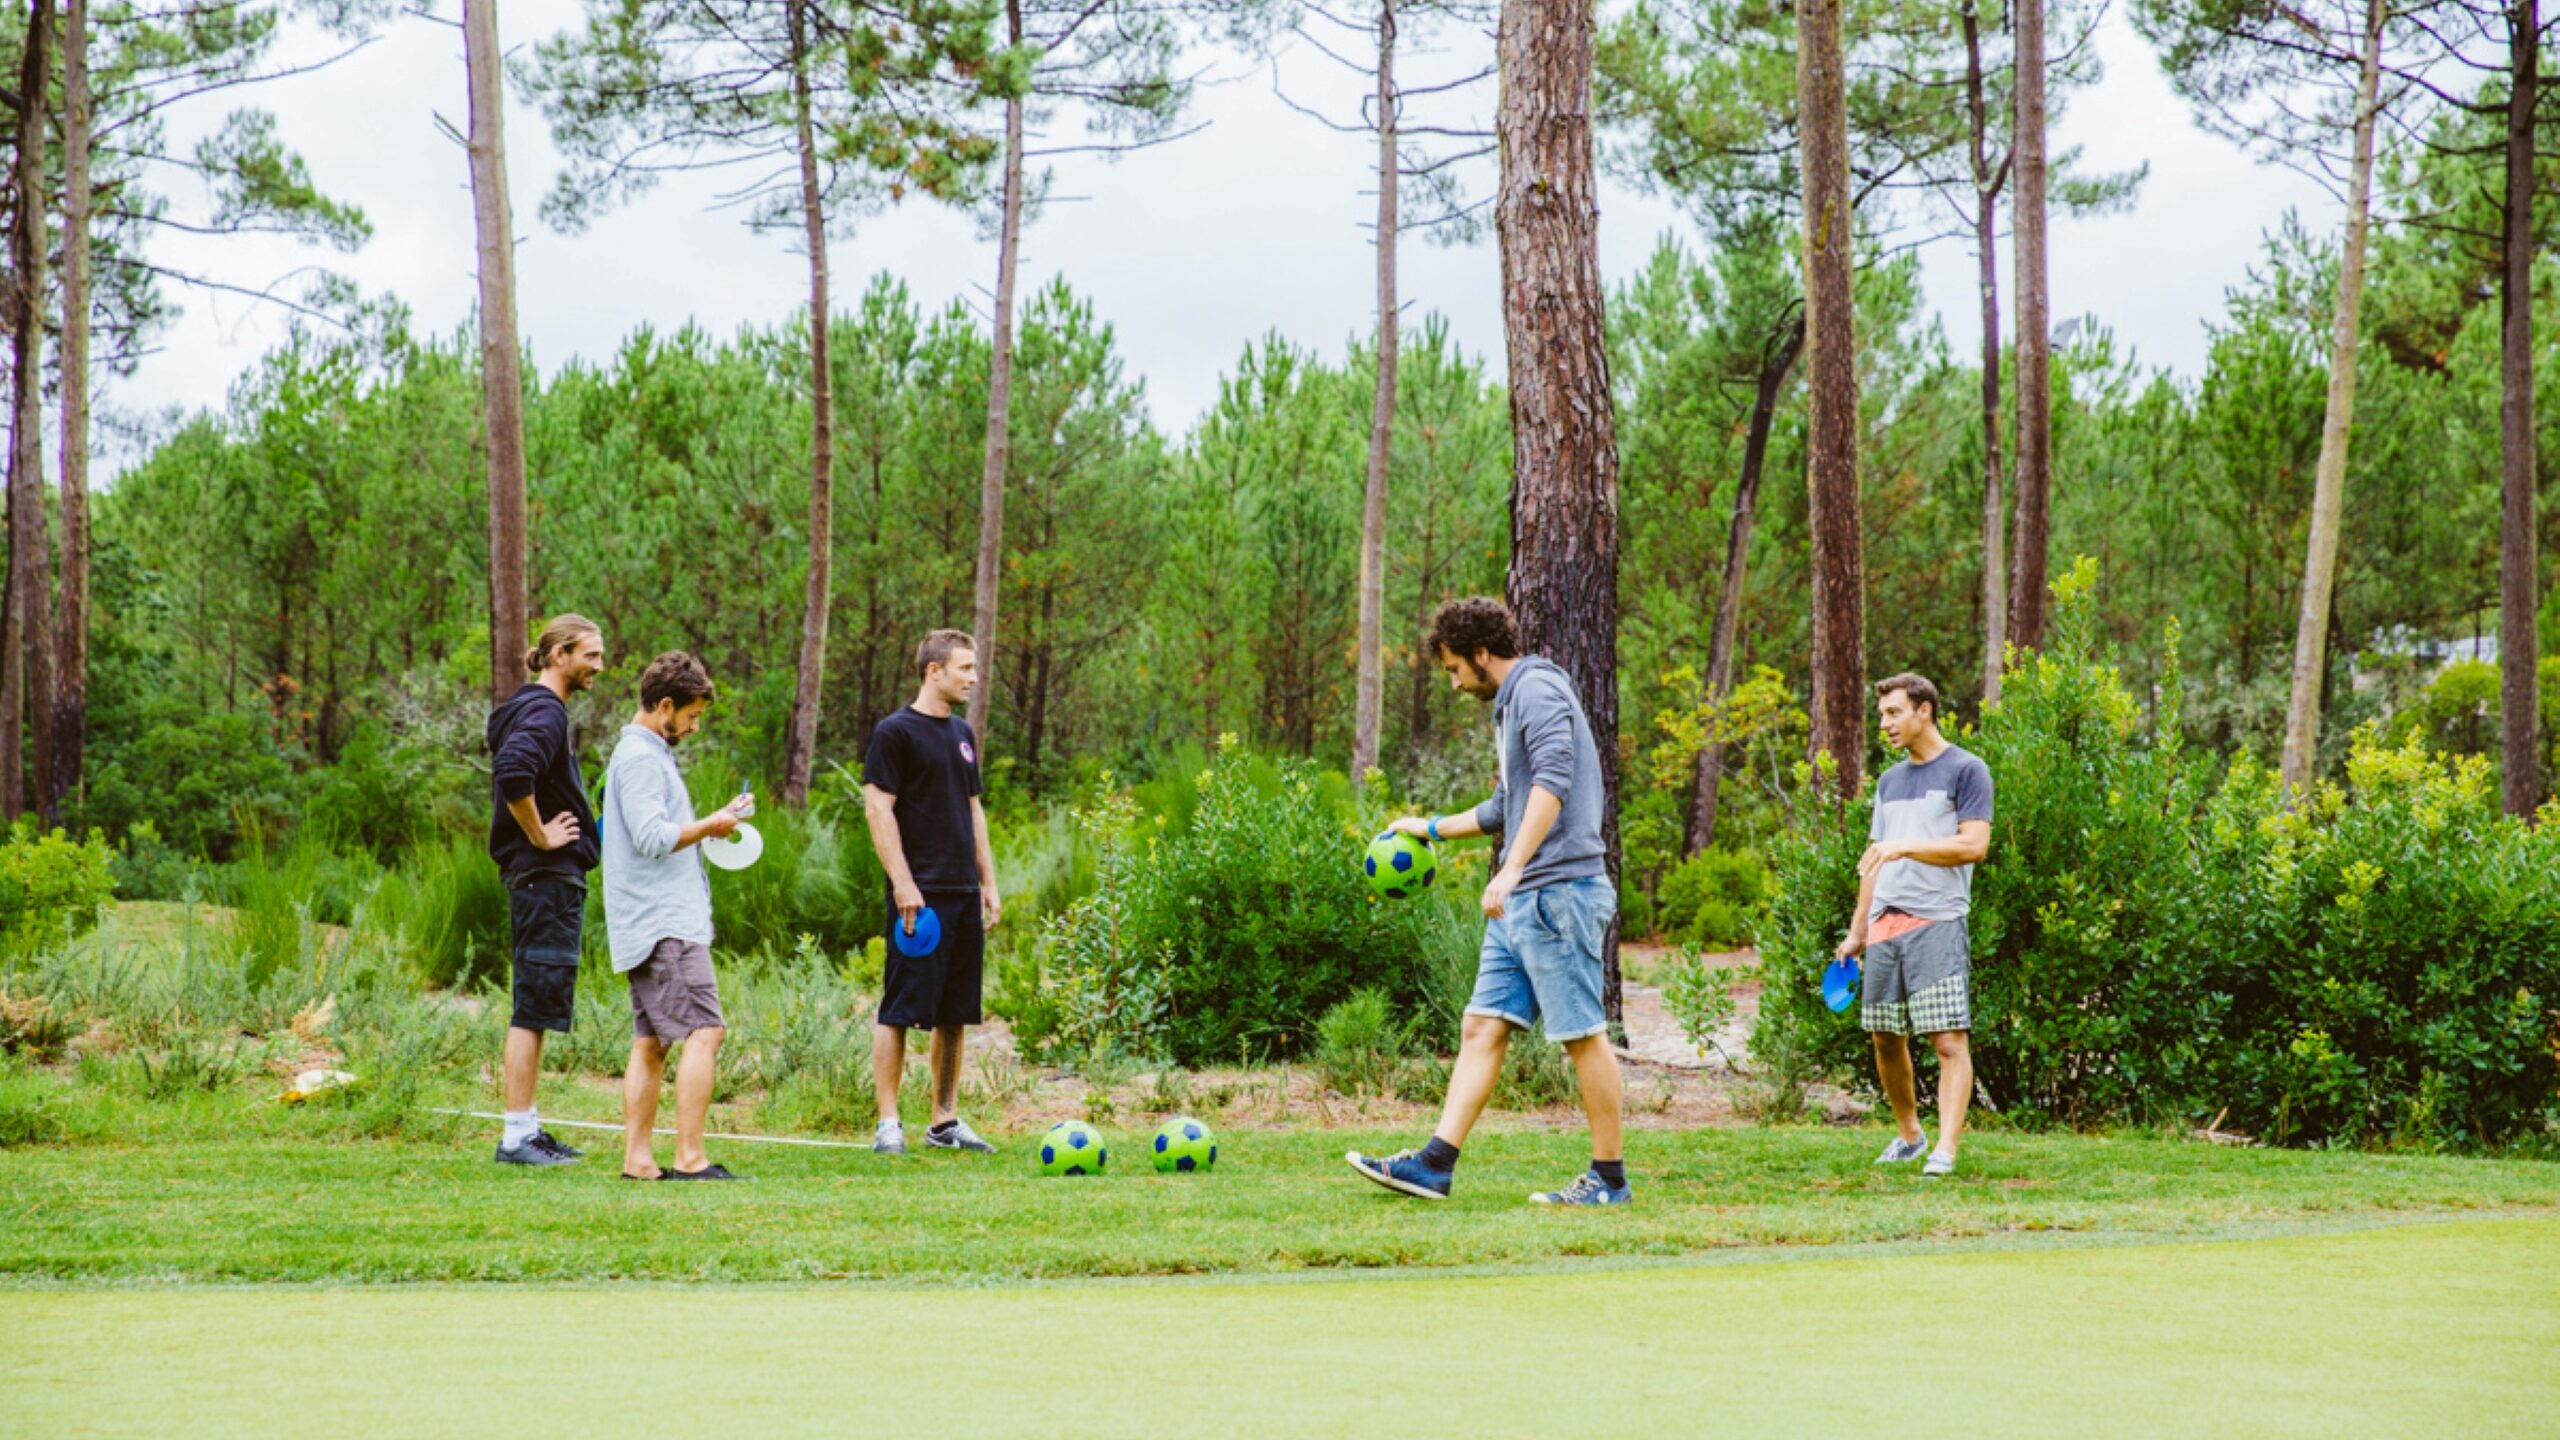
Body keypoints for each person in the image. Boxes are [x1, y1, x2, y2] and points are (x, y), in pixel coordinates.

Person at [1348, 597, 1632, 1206]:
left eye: (1454, 669)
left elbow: (1554, 779)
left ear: (1482, 653)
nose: (1453, 684)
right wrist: (1427, 827)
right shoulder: (1510, 709)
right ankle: (1433, 1165)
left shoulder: (1536, 691)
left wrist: (1512, 867)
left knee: (1582, 1034)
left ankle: (1609, 1181)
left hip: (1558, 892)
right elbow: (1506, 806)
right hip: (1522, 900)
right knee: (1481, 1025)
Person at [601, 651, 753, 1182]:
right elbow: (652, 837)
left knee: (652, 1041)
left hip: (646, 921)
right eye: (689, 716)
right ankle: (690, 1159)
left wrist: (718, 818)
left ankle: (639, 1161)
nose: (692, 726)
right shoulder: (642, 758)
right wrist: (710, 825)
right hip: (665, 924)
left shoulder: (644, 754)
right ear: (664, 705)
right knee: (705, 1031)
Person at [1836, 673, 1993, 1178]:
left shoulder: (1967, 770)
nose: (1885, 724)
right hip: (1884, 924)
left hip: (1938, 923)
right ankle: (1909, 1135)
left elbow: (1973, 845)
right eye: (1882, 715)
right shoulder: (1890, 781)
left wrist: (1905, 846)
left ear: (1924, 711)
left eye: (1894, 713)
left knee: (1948, 1041)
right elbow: (1873, 860)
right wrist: (1857, 930)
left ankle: (1945, 1149)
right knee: (1884, 1036)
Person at [860, 629, 1003, 1157]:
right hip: (918, 898)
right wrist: (903, 884)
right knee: (899, 1007)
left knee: (955, 1011)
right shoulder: (895, 733)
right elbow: (878, 809)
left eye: (974, 668)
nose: (973, 677)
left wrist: (987, 882)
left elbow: (973, 811)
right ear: (933, 671)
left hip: (962, 891)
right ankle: (889, 1123)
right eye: (964, 668)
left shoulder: (962, 733)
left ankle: (944, 1121)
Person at [486, 615, 606, 1166]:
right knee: (532, 1006)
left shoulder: (535, 708)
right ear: (558, 653)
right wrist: (540, 834)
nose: (598, 667)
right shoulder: (545, 710)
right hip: (543, 876)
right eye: (591, 655)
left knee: (537, 1002)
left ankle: (529, 1127)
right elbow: (514, 771)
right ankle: (516, 1136)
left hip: (544, 878)